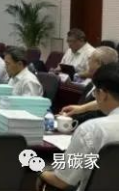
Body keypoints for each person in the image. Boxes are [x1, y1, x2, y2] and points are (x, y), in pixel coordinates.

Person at [38, 63, 119, 191]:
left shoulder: (92, 130)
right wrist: (82, 108)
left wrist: (39, 171)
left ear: (102, 94)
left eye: (95, 93)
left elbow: (61, 181)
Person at [61, 46, 119, 123]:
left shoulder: (109, 88)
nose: (87, 62)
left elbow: (97, 115)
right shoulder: (91, 84)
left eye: (90, 59)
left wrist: (70, 118)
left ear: (99, 63)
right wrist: (77, 111)